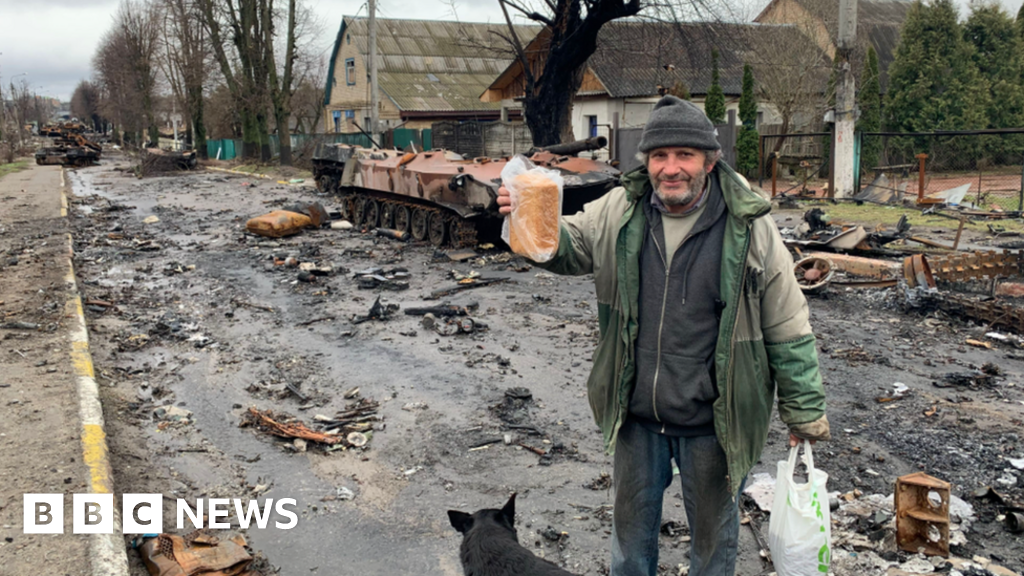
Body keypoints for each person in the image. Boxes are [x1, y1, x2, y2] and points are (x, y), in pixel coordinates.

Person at [496, 95, 830, 576]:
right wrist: (524, 221)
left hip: (714, 424)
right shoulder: (620, 209)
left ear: (710, 161)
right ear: (647, 162)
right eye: (659, 156)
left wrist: (804, 411)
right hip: (638, 419)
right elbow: (568, 248)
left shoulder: (750, 227)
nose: (671, 168)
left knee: (714, 550)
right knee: (630, 550)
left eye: (684, 155)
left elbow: (787, 324)